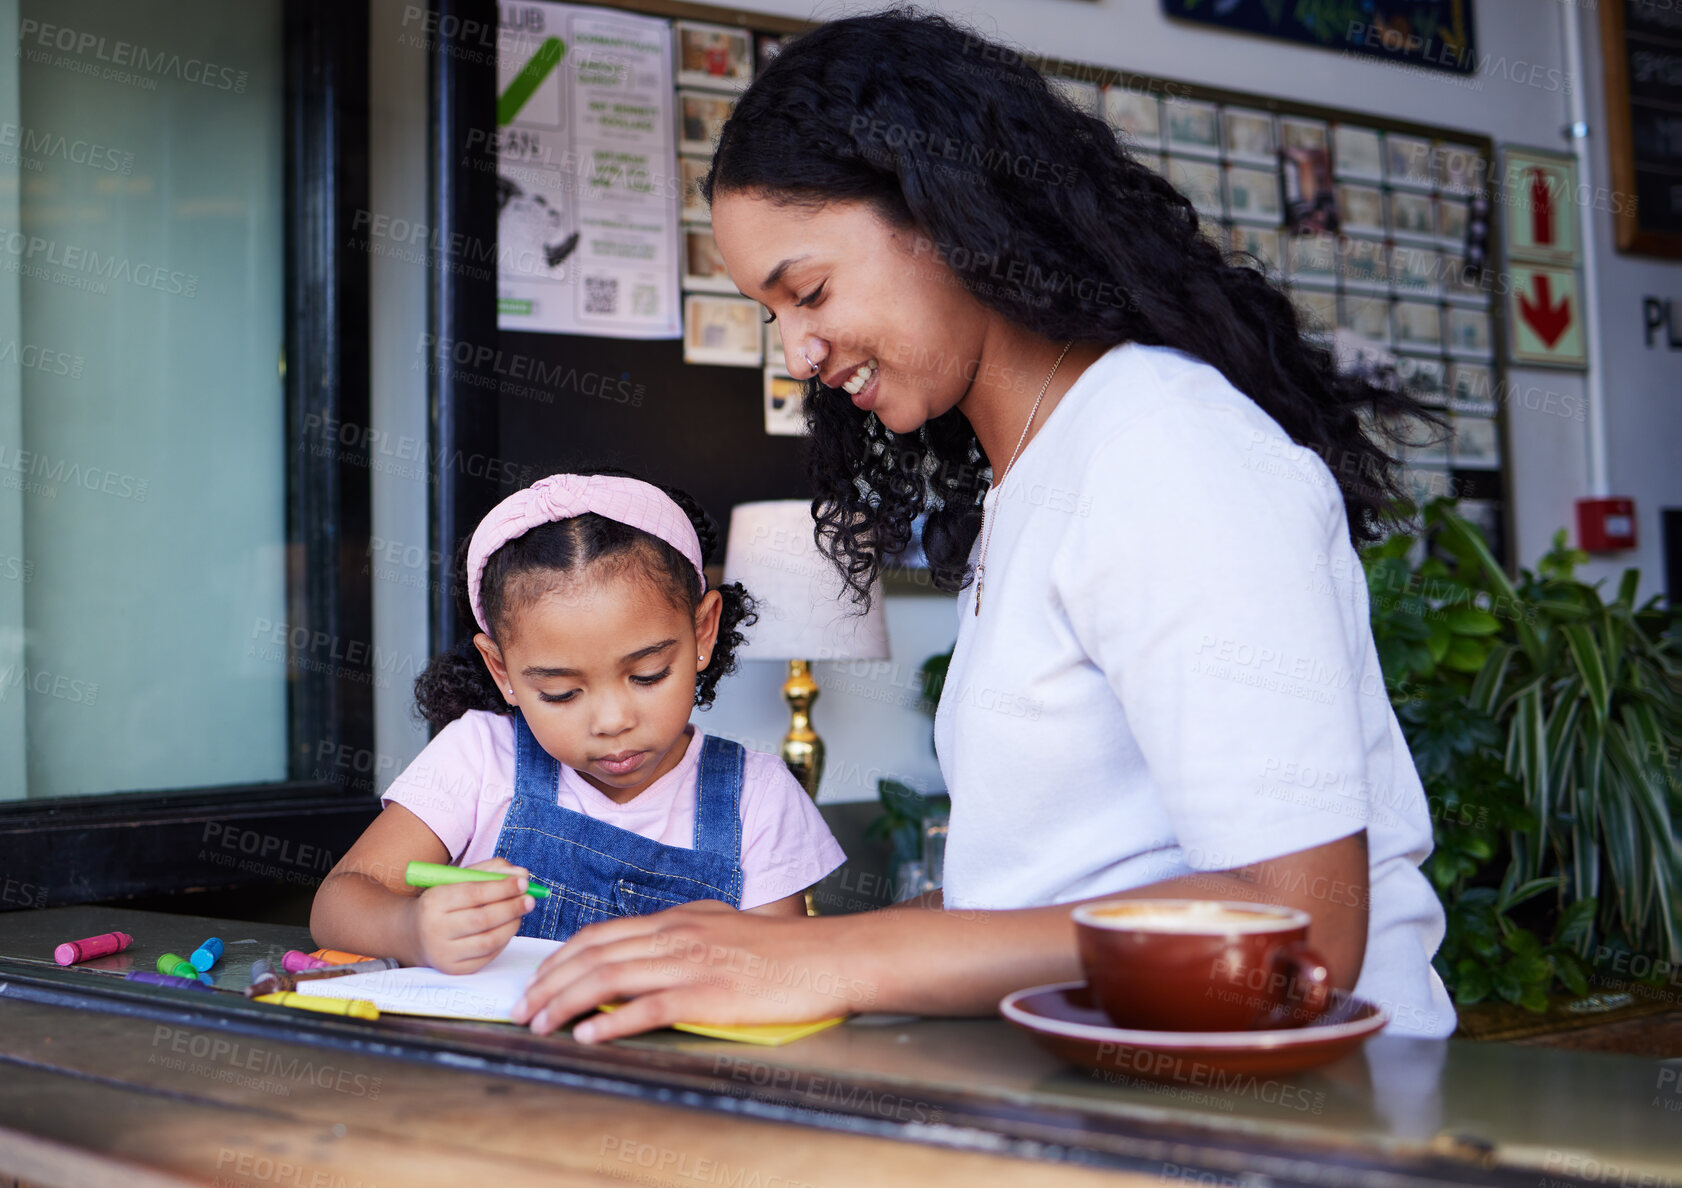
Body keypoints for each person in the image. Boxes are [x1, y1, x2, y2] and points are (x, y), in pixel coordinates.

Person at [505, 9, 1458, 1042]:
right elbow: (1052, 891)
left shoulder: (1165, 451)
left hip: (1305, 1119)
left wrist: (834, 955)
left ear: (951, 213)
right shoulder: (1038, 476)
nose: (796, 354)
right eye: (771, 313)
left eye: (809, 290)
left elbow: (1299, 937)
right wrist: (759, 954)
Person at [311, 472, 846, 973]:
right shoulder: (478, 756)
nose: (612, 721)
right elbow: (339, 902)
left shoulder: (758, 796)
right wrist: (413, 930)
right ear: (503, 672)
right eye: (561, 692)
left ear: (703, 631)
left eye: (649, 674)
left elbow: (782, 973)